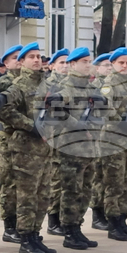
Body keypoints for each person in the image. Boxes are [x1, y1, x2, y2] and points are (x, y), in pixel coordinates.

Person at [0, 43, 59, 253]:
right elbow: (4, 109)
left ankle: (35, 234)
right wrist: (29, 125)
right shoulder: (19, 84)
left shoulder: (47, 84)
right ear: (22, 61)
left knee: (43, 195)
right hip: (25, 150)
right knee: (27, 196)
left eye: (38, 56)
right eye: (31, 57)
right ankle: (25, 238)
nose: (36, 60)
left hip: (44, 148)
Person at [52, 48, 99, 248]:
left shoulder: (88, 87)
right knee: (72, 190)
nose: (88, 65)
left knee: (86, 189)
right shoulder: (66, 86)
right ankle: (69, 231)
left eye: (89, 61)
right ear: (72, 64)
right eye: (84, 62)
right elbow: (54, 109)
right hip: (70, 148)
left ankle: (78, 227)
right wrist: (75, 124)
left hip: (88, 147)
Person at [98, 47, 127, 240]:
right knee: (113, 183)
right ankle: (113, 222)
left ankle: (122, 219)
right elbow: (104, 108)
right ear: (114, 64)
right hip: (112, 139)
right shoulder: (109, 84)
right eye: (121, 63)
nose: (125, 66)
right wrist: (119, 121)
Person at [0, 44, 23, 243]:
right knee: (8, 183)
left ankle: (22, 223)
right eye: (15, 58)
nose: (19, 61)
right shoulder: (3, 82)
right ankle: (9, 226)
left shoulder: (30, 81)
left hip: (26, 142)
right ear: (6, 63)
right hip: (7, 139)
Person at [44, 48, 69, 237]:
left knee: (67, 180)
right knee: (55, 180)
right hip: (55, 138)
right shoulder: (48, 85)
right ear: (52, 66)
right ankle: (53, 220)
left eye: (68, 62)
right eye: (61, 62)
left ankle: (62, 217)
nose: (65, 66)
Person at [88, 52, 112, 230]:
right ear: (96, 68)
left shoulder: (114, 85)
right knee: (98, 177)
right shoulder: (93, 87)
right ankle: (97, 214)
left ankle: (106, 211)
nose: (109, 68)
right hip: (97, 137)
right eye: (105, 65)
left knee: (109, 178)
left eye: (111, 65)